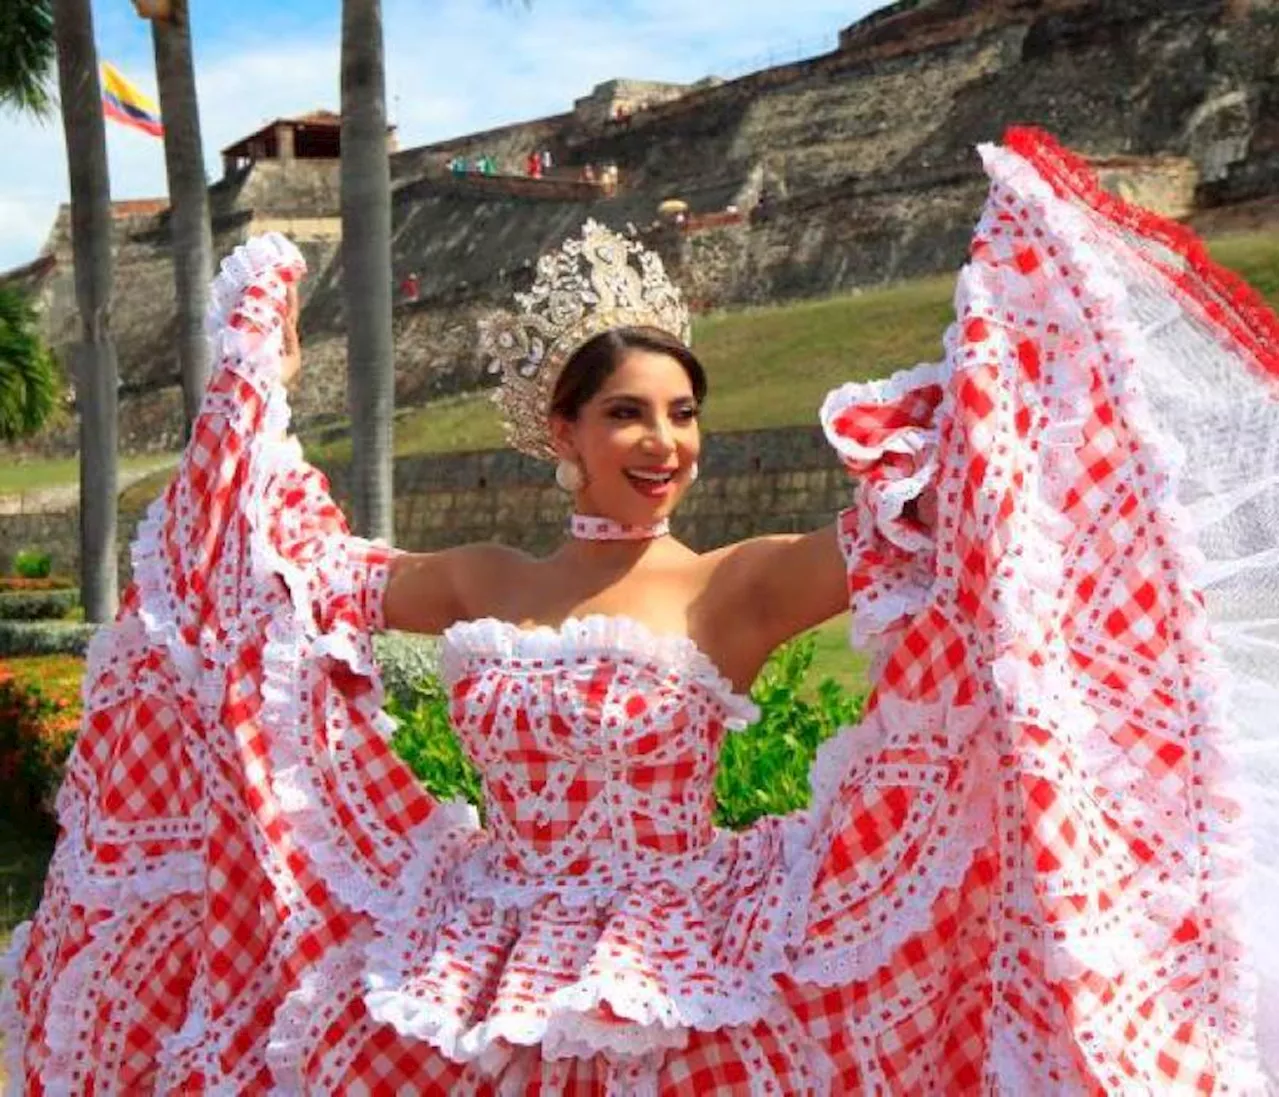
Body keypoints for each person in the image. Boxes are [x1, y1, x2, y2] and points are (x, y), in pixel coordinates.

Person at [3, 129, 1279, 1094]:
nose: (661, 440)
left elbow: (954, 511)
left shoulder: (741, 581)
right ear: (561, 431)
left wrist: (1015, 325)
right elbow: (273, 574)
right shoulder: (483, 582)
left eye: (680, 411)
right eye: (624, 411)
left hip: (683, 975)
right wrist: (249, 388)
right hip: (467, 958)